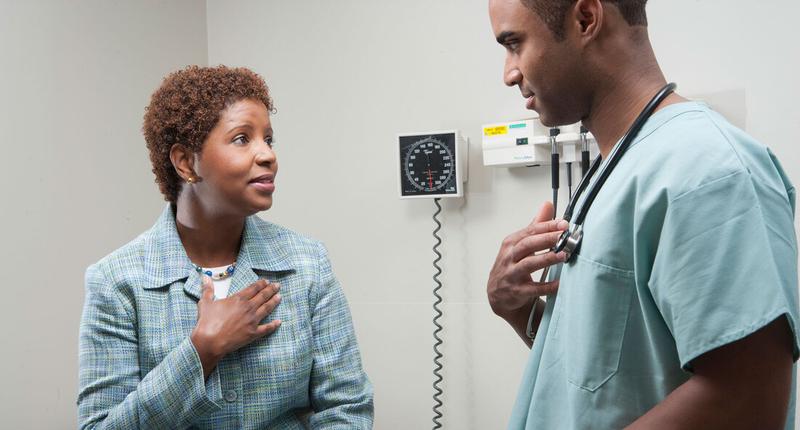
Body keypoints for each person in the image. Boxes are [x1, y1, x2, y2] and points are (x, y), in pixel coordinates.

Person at [486, 0, 799, 428]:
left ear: (585, 19)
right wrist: (515, 308)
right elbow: (604, 378)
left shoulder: (708, 170)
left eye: (514, 44)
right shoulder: (616, 167)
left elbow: (746, 399)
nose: (509, 73)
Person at [78, 65, 373, 429]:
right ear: (186, 162)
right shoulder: (116, 281)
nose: (267, 155)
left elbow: (347, 410)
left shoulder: (307, 263)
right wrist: (202, 350)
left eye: (268, 139)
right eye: (241, 139)